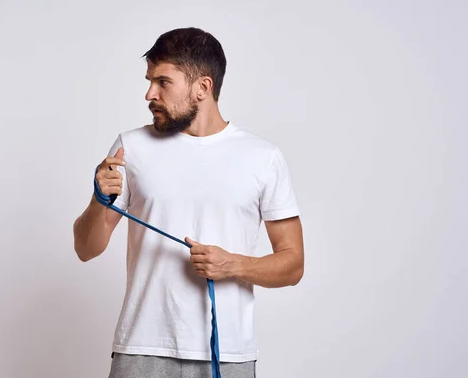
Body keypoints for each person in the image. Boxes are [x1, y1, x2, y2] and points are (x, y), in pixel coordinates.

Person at [73, 27, 304, 378]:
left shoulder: (263, 157)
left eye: (163, 82)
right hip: (141, 348)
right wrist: (98, 200)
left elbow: (293, 264)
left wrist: (234, 265)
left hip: (228, 353)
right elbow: (86, 248)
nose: (149, 93)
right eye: (150, 81)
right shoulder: (130, 147)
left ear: (203, 88)